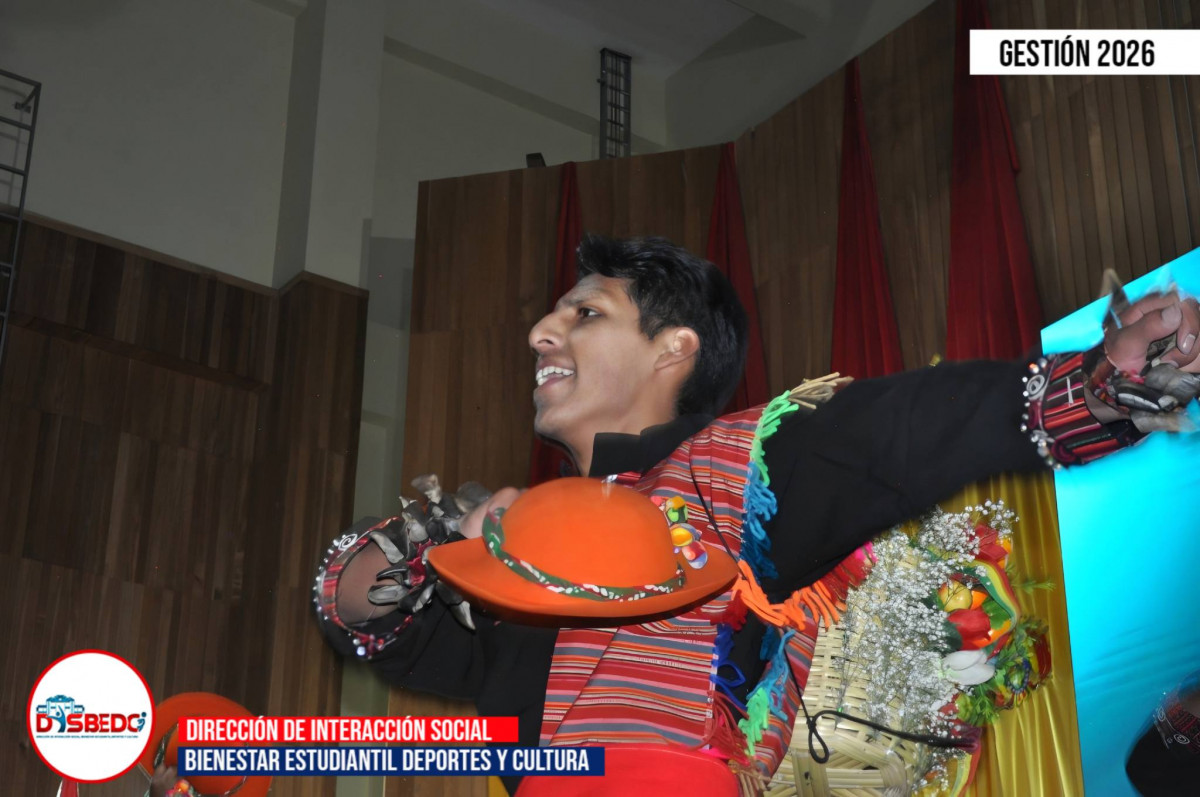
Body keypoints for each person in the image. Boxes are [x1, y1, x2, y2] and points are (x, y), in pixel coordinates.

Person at [314, 235, 1200, 795]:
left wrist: (1098, 386)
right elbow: (367, 619)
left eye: (584, 313)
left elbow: (900, 431)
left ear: (674, 348)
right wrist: (421, 539)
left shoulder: (731, 468)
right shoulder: (530, 542)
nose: (543, 334)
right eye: (552, 316)